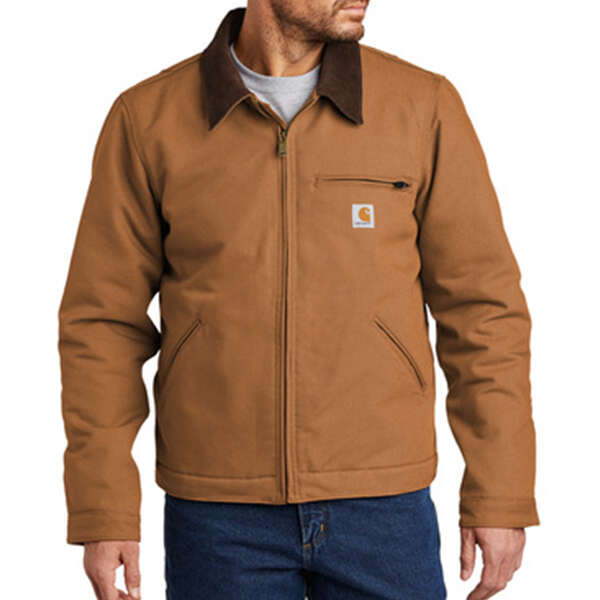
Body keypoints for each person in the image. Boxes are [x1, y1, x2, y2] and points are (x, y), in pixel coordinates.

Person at [58, 2, 540, 598]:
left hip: (384, 504)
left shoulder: (421, 107)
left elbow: (483, 310)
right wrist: (103, 505)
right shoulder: (149, 118)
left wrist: (500, 491)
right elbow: (102, 323)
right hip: (218, 512)